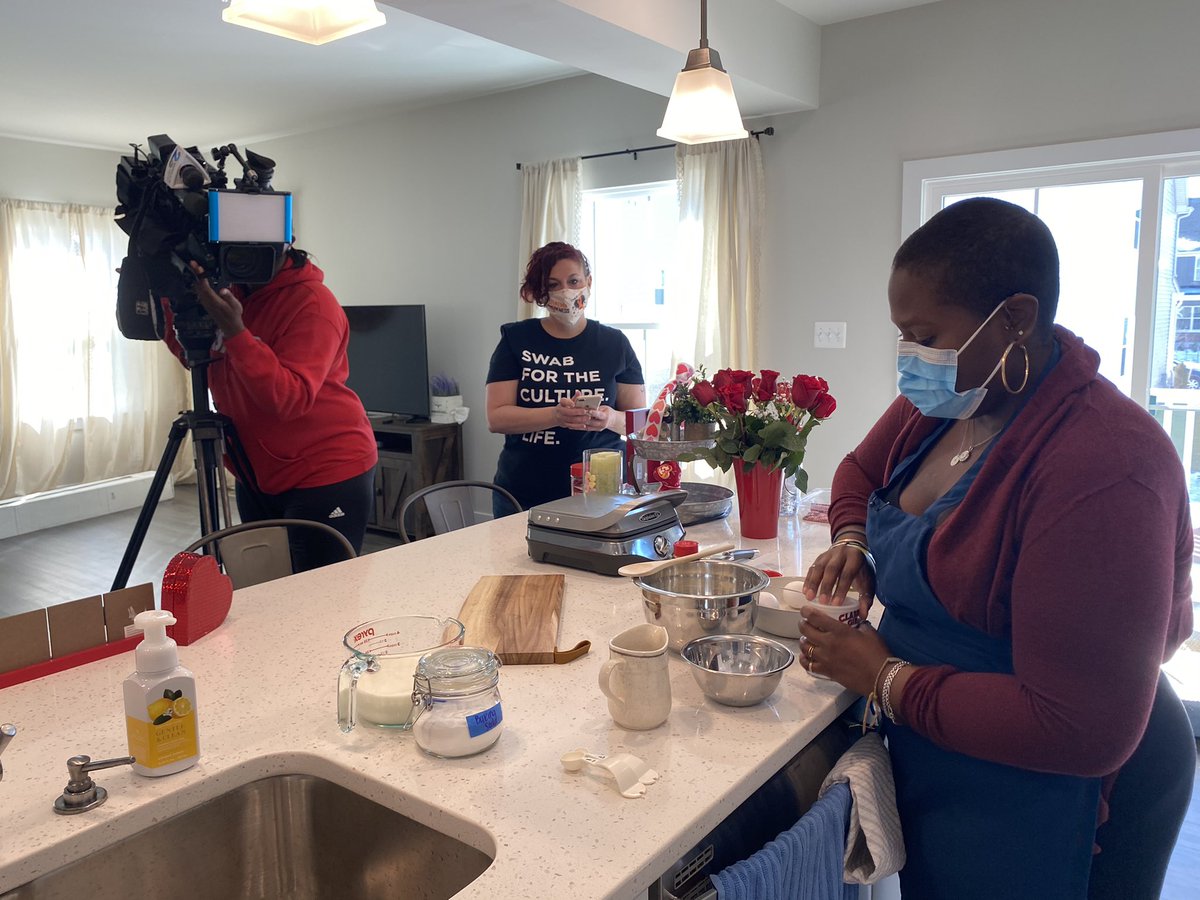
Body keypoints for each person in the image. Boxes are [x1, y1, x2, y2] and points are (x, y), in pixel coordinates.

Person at [798, 198, 1195, 900]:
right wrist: (854, 540)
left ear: (1015, 319)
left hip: (1052, 791)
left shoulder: (1104, 463)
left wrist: (885, 678)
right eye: (902, 336)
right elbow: (858, 472)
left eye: (925, 335)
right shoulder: (952, 402)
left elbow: (1080, 728)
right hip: (947, 747)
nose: (911, 358)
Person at [161, 246, 378, 571]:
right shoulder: (230, 295)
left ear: (280, 248)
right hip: (256, 473)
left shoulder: (314, 303)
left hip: (325, 471)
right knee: (265, 590)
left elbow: (289, 398)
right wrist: (168, 303)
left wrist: (237, 332)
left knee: (324, 601)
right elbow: (205, 362)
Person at [486, 241, 646, 514]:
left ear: (588, 282)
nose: (566, 292)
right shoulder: (516, 339)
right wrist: (556, 416)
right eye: (553, 285)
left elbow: (640, 422)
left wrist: (610, 418)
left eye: (574, 281)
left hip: (603, 491)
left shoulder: (614, 344)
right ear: (540, 292)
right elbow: (496, 417)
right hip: (523, 492)